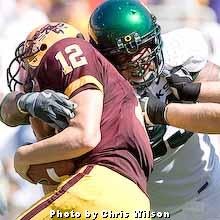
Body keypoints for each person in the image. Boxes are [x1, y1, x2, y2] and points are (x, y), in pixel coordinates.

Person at [88, 0, 220, 219]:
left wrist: (194, 90)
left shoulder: (177, 53)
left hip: (209, 188)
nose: (139, 61)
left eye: (144, 47)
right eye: (124, 55)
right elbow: (12, 107)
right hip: (147, 210)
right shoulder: (95, 92)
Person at [8, 22, 153, 220]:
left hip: (97, 189)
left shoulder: (66, 48)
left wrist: (22, 158)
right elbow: (54, 190)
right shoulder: (113, 98)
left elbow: (84, 136)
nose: (27, 74)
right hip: (134, 204)